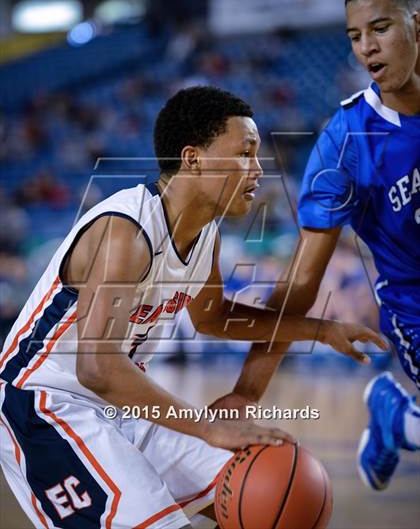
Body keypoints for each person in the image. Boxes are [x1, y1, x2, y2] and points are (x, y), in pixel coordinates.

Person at [0, 86, 384, 529]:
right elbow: (97, 367)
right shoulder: (124, 230)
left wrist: (319, 329)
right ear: (193, 158)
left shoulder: (206, 236)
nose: (259, 170)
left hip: (124, 403)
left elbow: (214, 318)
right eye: (245, 153)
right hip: (46, 403)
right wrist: (206, 426)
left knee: (278, 492)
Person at [222, 0, 420, 492]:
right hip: (413, 305)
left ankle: (402, 421)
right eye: (355, 37)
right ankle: (395, 413)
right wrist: (246, 394)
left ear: (418, 26)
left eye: (380, 29)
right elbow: (302, 284)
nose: (366, 49)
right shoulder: (344, 143)